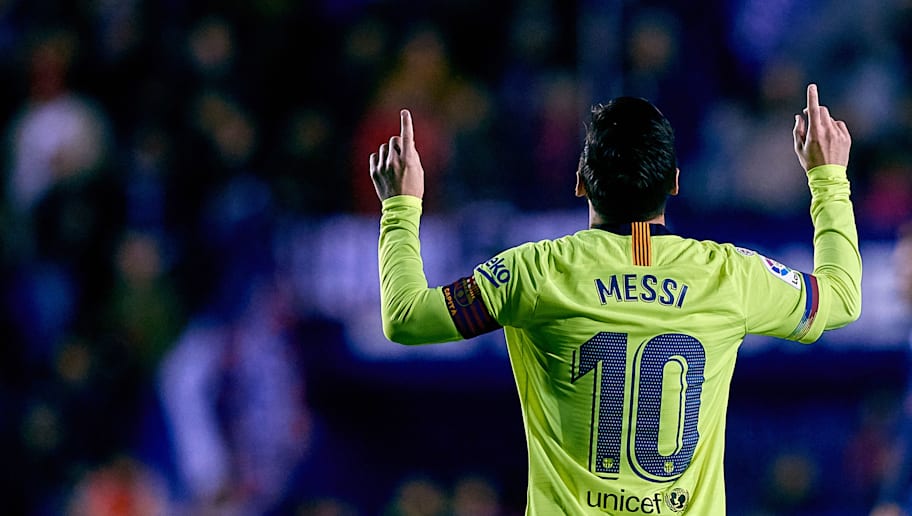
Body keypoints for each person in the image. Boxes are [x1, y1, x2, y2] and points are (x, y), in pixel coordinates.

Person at [369, 84, 861, 514]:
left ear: (581, 182)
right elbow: (840, 298)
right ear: (674, 183)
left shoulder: (536, 272)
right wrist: (828, 179)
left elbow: (406, 317)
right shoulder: (729, 276)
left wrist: (400, 206)